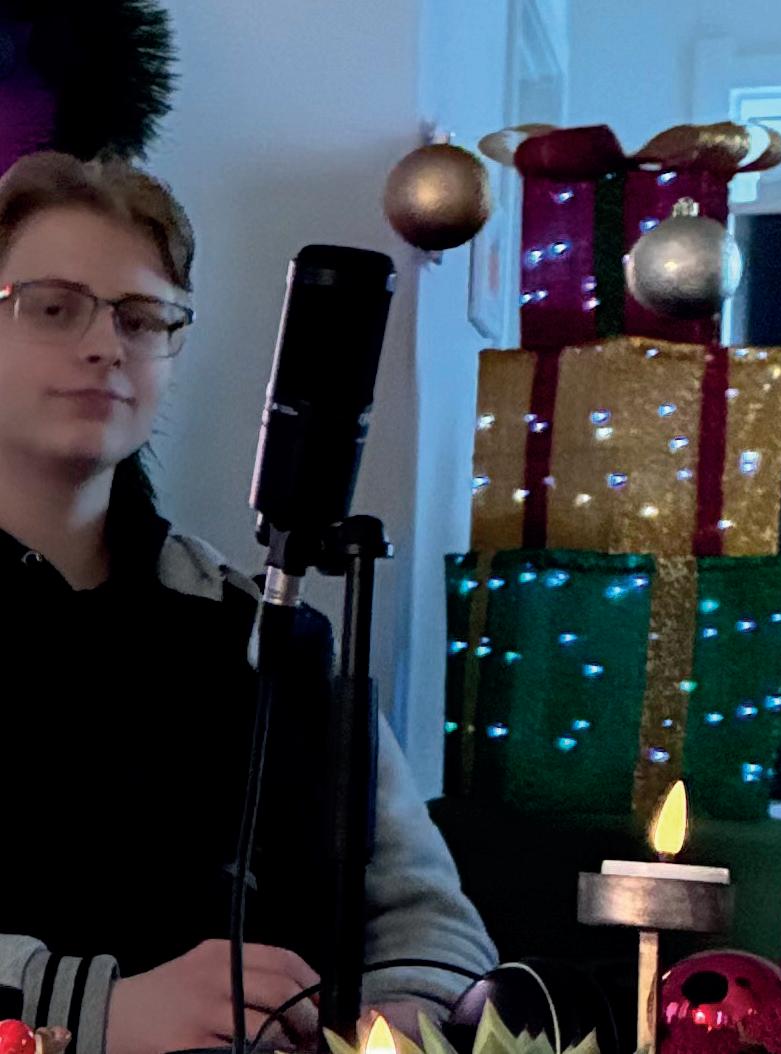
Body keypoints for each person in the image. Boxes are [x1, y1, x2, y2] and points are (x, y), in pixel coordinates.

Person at [0, 151, 497, 1054]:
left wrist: (395, 1023)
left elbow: (426, 919)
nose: (107, 345)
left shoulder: (264, 631)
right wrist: (92, 1011)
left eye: (142, 318)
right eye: (55, 307)